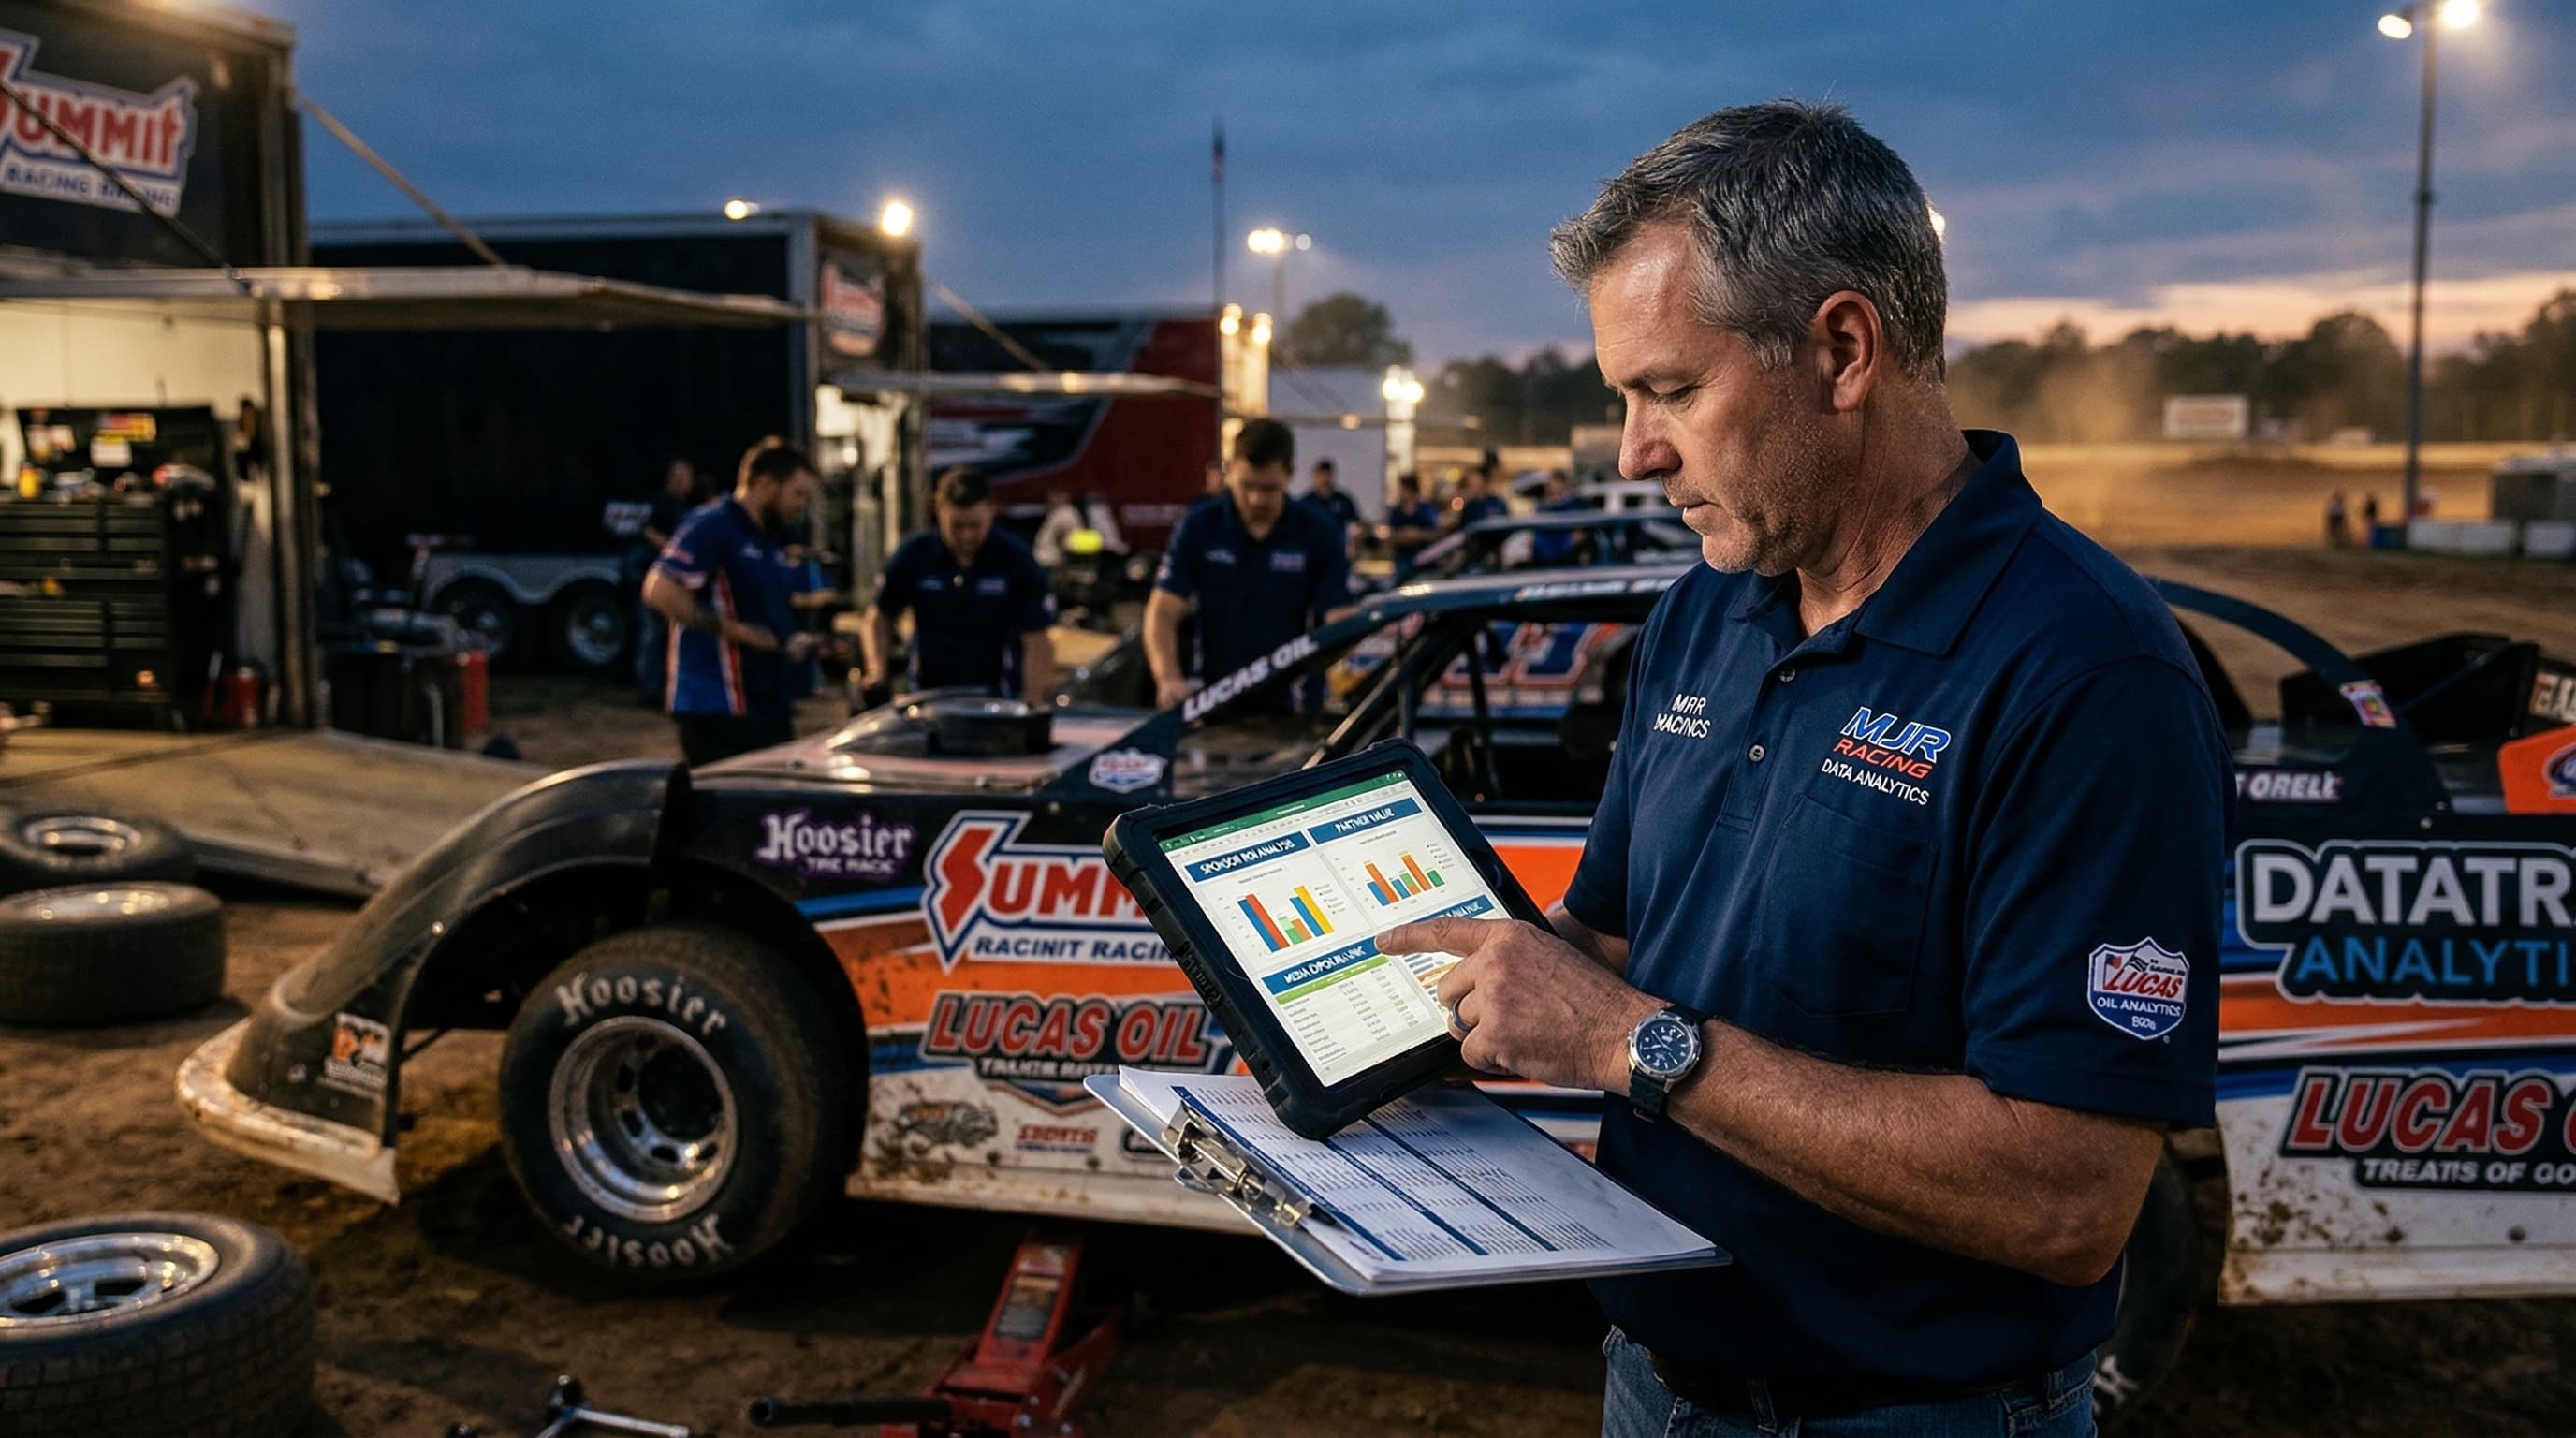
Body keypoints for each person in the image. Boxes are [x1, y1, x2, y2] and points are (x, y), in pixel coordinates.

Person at [1377, 101, 2229, 1437]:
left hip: (1915, 1414)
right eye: (1623, 399)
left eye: (1669, 390)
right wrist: (1365, 1030)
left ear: (1841, 350)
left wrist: (1630, 1045)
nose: (1633, 453)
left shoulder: (2083, 671)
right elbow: (1598, 943)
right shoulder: (1705, 608)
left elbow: (2066, 1200)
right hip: (1655, 1383)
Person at [1146, 418, 1349, 712]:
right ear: (1229, 471)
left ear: (1290, 475)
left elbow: (1340, 617)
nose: (1256, 499)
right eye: (1247, 486)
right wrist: (1168, 678)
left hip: (1295, 708)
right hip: (1212, 699)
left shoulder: (1318, 531)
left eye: (1268, 489)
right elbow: (1162, 611)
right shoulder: (1201, 526)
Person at [643, 440, 820, 765]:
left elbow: (763, 612)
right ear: (765, 484)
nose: (802, 505)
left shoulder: (765, 536)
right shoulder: (713, 524)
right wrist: (736, 632)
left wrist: (793, 642)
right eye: (797, 493)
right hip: (719, 708)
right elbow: (659, 589)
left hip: (765, 703)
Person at [861, 467, 1056, 705]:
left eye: (975, 526)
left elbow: (1037, 639)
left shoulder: (1015, 559)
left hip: (998, 699)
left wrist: (1032, 701)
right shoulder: (915, 554)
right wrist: (877, 671)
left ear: (991, 512)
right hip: (928, 698)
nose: (966, 536)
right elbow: (879, 615)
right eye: (957, 526)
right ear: (938, 511)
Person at [634, 458, 698, 701]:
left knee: (661, 637)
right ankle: (650, 690)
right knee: (651, 635)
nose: (685, 483)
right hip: (651, 577)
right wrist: (675, 551)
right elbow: (649, 532)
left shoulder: (683, 507)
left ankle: (659, 688)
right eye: (680, 477)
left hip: (670, 580)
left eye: (687, 478)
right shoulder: (660, 504)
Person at [1383, 471, 1442, 577]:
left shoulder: (1426, 509)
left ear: (1410, 490)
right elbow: (1391, 536)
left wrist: (1417, 534)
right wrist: (1401, 537)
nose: (1399, 492)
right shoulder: (1396, 511)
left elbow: (1437, 534)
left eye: (1401, 489)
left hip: (1425, 561)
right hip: (1403, 561)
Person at [1301, 457, 1363, 556]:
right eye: (1321, 475)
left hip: (1339, 553)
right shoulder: (1305, 502)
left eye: (1328, 474)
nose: (1325, 479)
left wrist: (1354, 545)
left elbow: (1355, 526)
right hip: (1313, 554)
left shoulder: (1344, 501)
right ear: (1314, 476)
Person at [1530, 468, 1584, 565]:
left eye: (1558, 483)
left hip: (1567, 550)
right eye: (1552, 484)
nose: (1555, 487)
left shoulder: (1573, 504)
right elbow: (1538, 533)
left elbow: (1579, 532)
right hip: (1546, 550)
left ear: (1564, 484)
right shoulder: (1542, 507)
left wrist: (1569, 541)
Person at [1449, 462, 1507, 531]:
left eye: (1477, 483)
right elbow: (1461, 526)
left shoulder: (1497, 503)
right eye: (1471, 483)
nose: (1474, 487)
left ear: (1485, 482)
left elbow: (1505, 523)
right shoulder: (1468, 505)